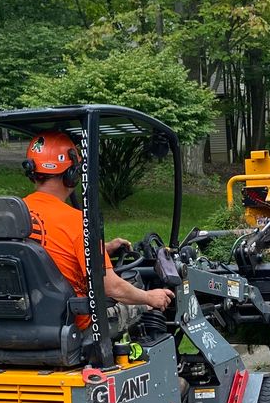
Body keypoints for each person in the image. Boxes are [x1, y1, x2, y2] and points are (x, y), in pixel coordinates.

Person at [21, 130, 174, 328]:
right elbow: (111, 287)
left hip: (25, 320)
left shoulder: (15, 216)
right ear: (72, 174)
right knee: (145, 301)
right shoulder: (77, 221)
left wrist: (102, 248)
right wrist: (149, 297)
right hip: (75, 324)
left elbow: (45, 252)